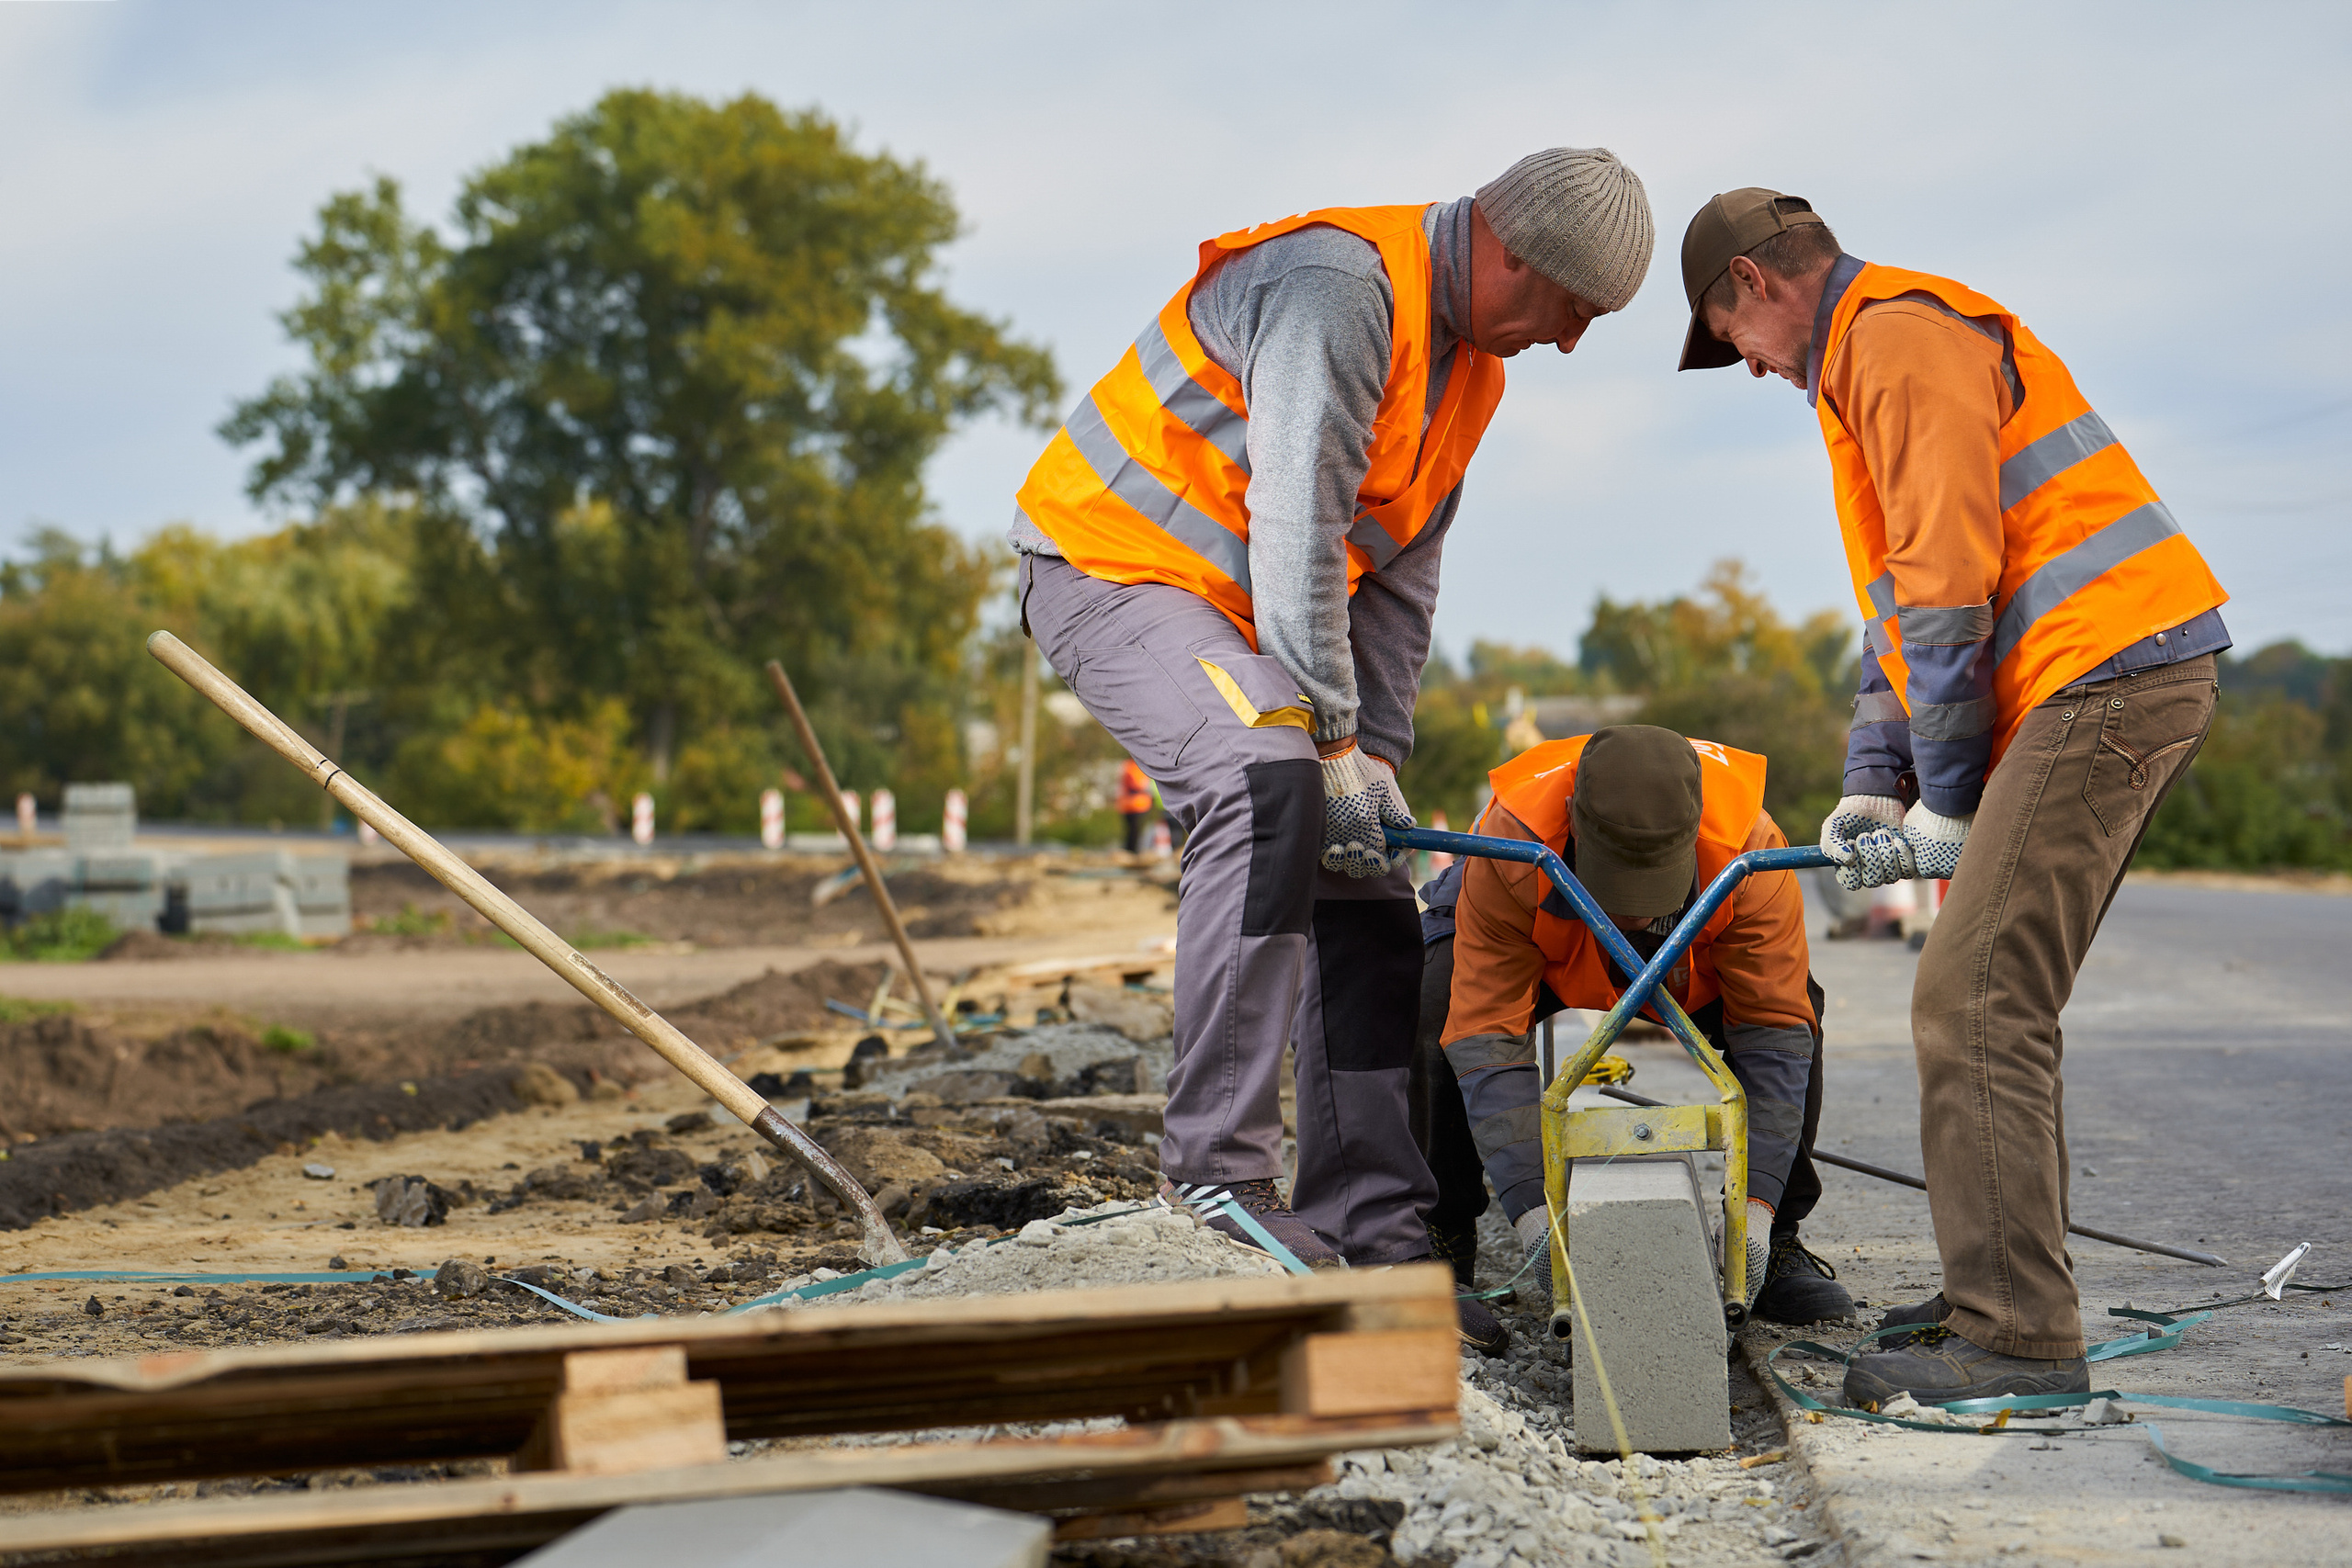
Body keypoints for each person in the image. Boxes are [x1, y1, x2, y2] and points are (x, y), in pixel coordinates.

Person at [1012, 149, 1656, 1351]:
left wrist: (1375, 768)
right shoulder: (1339, 288)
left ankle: (1377, 1225)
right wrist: (1330, 736)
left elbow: (1397, 579)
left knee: (1367, 873)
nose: (1570, 343)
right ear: (1512, 252)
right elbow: (1298, 518)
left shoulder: (1471, 371)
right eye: (1573, 309)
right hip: (1114, 569)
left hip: (1248, 626)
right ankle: (1216, 1176)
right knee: (1270, 782)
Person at [1678, 189, 2230, 1404]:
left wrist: (1948, 794)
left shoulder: (1894, 337)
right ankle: (1999, 1289)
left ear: (1755, 284)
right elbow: (1896, 613)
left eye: (1731, 340)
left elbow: (1946, 589)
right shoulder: (1858, 364)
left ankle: (2019, 1335)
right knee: (1992, 993)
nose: (1748, 367)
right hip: (2101, 675)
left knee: (1974, 996)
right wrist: (1875, 786)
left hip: (2110, 671)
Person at [1414, 726, 1853, 1325]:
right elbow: (1485, 1032)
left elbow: (1772, 1027)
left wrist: (1754, 1212)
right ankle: (1440, 1238)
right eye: (1619, 887)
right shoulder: (1510, 841)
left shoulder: (1752, 850)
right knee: (1434, 994)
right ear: (1573, 822)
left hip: (1692, 955)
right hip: (1544, 940)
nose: (1633, 912)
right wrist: (1535, 1217)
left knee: (1798, 1009)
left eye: (1650, 889)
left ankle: (1774, 1244)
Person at [1116, 758, 1155, 855]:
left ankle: (1133, 851)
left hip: (1135, 804)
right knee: (1134, 831)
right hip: (1135, 804)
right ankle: (1132, 852)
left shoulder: (1128, 766)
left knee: (1134, 831)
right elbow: (1135, 785)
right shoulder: (1133, 767)